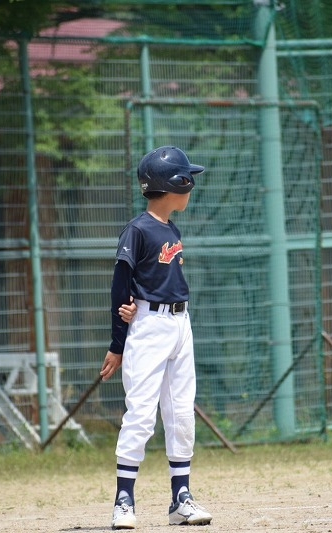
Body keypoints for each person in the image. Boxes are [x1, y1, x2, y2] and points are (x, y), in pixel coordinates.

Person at [99, 146, 213, 530]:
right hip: (149, 327)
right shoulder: (138, 229)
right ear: (176, 183)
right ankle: (124, 500)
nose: (192, 185)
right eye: (188, 179)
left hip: (180, 325)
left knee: (181, 412)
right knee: (142, 414)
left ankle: (181, 498)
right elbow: (120, 286)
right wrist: (118, 344)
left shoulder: (171, 228)